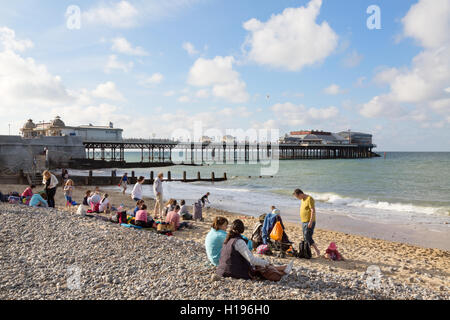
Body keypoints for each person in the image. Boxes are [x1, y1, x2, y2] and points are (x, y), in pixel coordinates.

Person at [216, 220, 293, 281]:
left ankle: (284, 268)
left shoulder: (227, 240)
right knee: (261, 267)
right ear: (242, 230)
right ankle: (283, 270)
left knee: (260, 265)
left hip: (222, 270)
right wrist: (266, 263)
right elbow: (251, 259)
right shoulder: (238, 242)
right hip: (234, 271)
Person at [293, 189, 320, 257]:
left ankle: (317, 250)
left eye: (297, 197)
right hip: (304, 221)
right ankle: (308, 251)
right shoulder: (302, 199)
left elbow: (313, 210)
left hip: (309, 221)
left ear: (300, 194)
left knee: (308, 237)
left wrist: (310, 222)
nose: (298, 198)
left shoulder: (309, 199)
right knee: (305, 237)